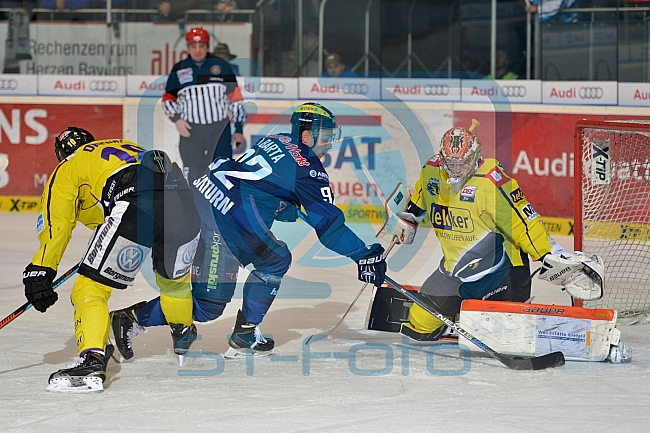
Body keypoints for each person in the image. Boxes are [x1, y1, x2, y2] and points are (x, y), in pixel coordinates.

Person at [109, 102, 387, 359]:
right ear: (307, 135)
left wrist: (285, 206)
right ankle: (242, 332)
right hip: (225, 215)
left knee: (212, 302)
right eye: (325, 134)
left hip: (204, 192)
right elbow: (331, 230)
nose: (330, 142)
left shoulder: (279, 138)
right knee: (267, 265)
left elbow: (261, 183)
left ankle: (136, 316)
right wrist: (364, 255)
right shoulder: (310, 172)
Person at [379, 125, 601, 341]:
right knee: (419, 324)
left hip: (502, 272)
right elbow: (418, 203)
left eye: (462, 163)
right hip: (456, 271)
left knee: (501, 328)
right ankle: (458, 319)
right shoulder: (432, 172)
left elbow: (526, 223)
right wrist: (407, 217)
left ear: (475, 157)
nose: (456, 170)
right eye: (451, 164)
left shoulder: (492, 182)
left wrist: (550, 254)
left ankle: (482, 314)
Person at [23, 127, 200, 392]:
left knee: (90, 288)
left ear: (61, 153)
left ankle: (92, 362)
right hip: (185, 205)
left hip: (137, 204)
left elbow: (57, 223)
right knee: (174, 283)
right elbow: (102, 213)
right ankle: (183, 332)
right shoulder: (124, 146)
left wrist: (41, 269)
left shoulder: (68, 166)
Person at [163, 27, 246, 184]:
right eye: (194, 46)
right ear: (188, 48)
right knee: (193, 173)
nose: (198, 50)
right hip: (191, 132)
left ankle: (221, 208)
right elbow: (168, 99)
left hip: (219, 129)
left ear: (207, 46)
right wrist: (177, 119)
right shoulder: (179, 69)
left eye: (201, 46)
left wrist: (239, 129)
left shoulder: (221, 66)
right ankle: (194, 208)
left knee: (221, 171)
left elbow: (235, 99)